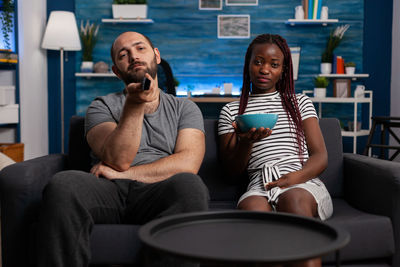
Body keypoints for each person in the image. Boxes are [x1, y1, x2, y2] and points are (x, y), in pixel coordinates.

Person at [36, 31, 209, 266]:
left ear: (156, 56)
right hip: (108, 189)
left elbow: (188, 164)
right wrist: (134, 104)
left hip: (157, 191)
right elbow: (118, 159)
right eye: (123, 54)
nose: (133, 56)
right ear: (117, 70)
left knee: (190, 186)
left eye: (140, 48)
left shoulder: (184, 109)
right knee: (63, 184)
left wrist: (125, 174)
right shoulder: (101, 106)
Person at [218, 34, 333, 267]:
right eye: (258, 61)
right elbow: (230, 173)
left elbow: (320, 156)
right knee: (253, 214)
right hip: (258, 185)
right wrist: (246, 142)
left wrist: (293, 179)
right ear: (248, 64)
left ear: (283, 70)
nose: (264, 69)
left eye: (274, 64)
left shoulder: (299, 102)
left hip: (300, 180)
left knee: (293, 200)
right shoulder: (231, 111)